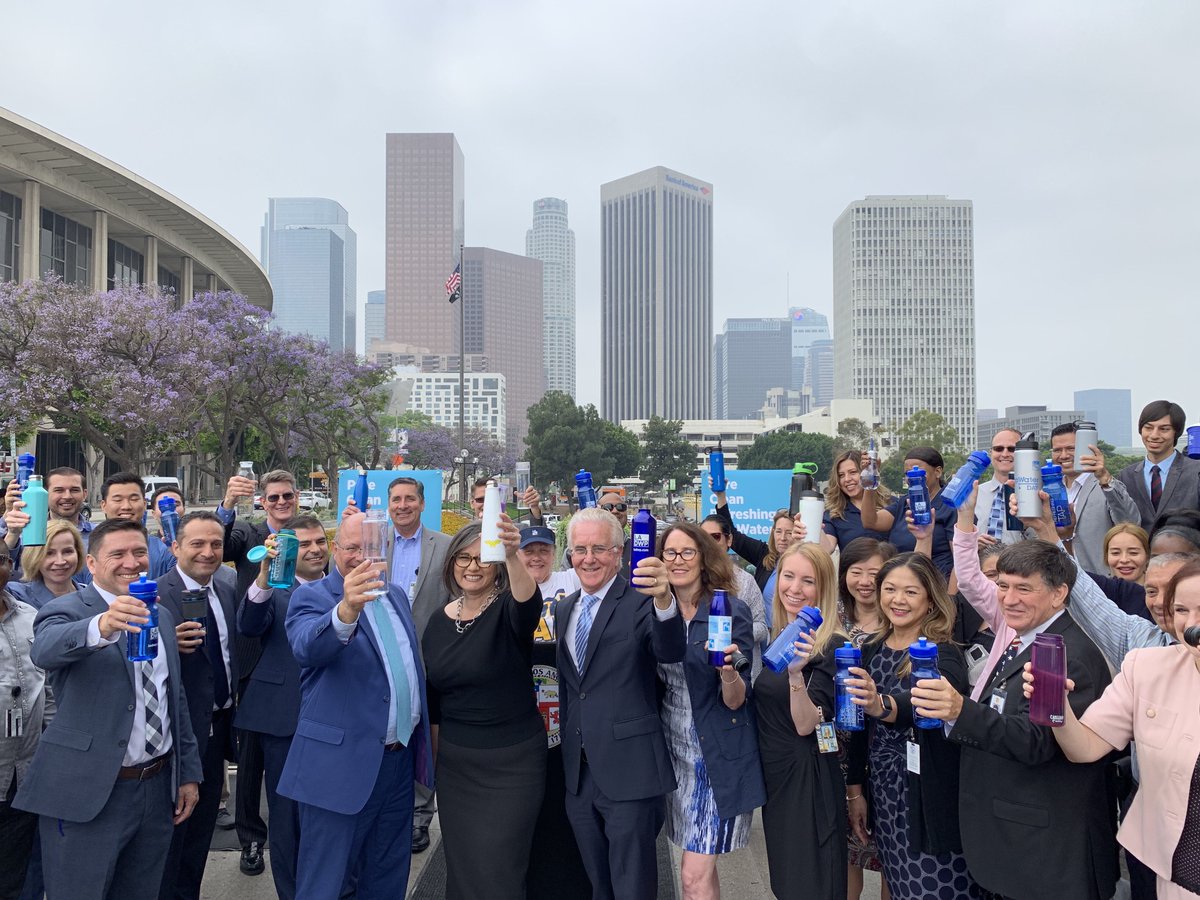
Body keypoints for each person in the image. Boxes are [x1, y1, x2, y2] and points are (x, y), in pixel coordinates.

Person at [923, 514, 1118, 900]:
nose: (1008, 599)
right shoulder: (1023, 635)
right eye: (1003, 586)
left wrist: (959, 710)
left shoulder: (1067, 654)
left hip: (1044, 855)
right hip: (1014, 842)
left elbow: (1037, 742)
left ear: (1059, 594)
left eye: (1023, 589)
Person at [14, 518, 202, 900]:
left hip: (155, 788)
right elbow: (45, 649)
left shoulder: (161, 615)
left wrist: (188, 773)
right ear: (93, 564)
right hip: (89, 793)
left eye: (138, 552)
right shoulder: (67, 609)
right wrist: (102, 625)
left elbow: (173, 698)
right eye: (117, 554)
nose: (131, 562)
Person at [1023, 558, 1200, 899]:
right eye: (1180, 610)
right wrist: (1057, 709)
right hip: (1175, 876)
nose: (1191, 625)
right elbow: (1085, 747)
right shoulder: (1147, 667)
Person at [280, 511, 434, 900]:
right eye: (352, 547)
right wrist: (346, 609)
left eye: (372, 546)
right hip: (340, 769)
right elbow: (307, 649)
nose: (361, 555)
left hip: (397, 764)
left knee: (387, 877)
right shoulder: (312, 596)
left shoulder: (395, 595)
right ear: (336, 550)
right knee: (325, 884)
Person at [556, 507, 686, 900]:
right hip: (579, 775)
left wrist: (665, 599)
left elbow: (669, 649)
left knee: (633, 887)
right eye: (580, 549)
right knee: (598, 885)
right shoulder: (565, 608)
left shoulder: (641, 601)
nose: (588, 558)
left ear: (619, 552)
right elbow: (572, 689)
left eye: (599, 548)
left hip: (630, 773)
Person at [420, 518, 545, 899]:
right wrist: (438, 766)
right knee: (463, 868)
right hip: (458, 767)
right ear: (451, 562)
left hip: (512, 765)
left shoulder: (509, 610)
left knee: (499, 869)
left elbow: (530, 604)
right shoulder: (437, 621)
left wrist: (510, 553)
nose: (472, 566)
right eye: (463, 557)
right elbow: (435, 702)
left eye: (482, 559)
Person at [845, 553, 977, 899]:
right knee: (899, 886)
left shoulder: (942, 652)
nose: (897, 600)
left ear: (931, 599)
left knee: (937, 886)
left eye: (910, 592)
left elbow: (922, 698)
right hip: (884, 791)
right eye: (889, 589)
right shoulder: (871, 649)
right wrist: (855, 790)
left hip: (929, 793)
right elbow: (859, 727)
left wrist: (882, 704)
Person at [651, 521, 765, 899]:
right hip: (672, 752)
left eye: (688, 552)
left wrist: (728, 672)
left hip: (715, 756)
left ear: (704, 558)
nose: (678, 560)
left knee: (692, 875)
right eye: (670, 552)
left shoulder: (729, 610)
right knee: (699, 870)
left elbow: (737, 699)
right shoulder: (652, 609)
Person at [236, 515, 331, 900]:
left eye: (320, 542)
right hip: (282, 719)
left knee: (328, 817)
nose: (314, 550)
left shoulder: (344, 586)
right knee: (287, 818)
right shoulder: (273, 587)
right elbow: (249, 624)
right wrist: (262, 578)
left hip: (336, 720)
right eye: (304, 544)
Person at [755, 542, 850, 900]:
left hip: (806, 780)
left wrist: (796, 677)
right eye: (788, 576)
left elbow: (808, 724)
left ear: (823, 588)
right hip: (777, 779)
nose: (794, 588)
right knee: (788, 881)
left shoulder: (831, 646)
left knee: (809, 883)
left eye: (807, 581)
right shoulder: (785, 632)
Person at [154, 511, 240, 900]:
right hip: (176, 738)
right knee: (170, 838)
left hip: (219, 728)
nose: (208, 552)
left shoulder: (226, 587)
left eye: (216, 544)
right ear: (175, 547)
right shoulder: (154, 595)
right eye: (197, 544)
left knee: (200, 834)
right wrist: (165, 643)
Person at [217, 468, 300, 864]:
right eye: (274, 498)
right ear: (262, 501)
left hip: (297, 658)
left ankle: (295, 831)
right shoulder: (248, 536)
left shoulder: (310, 535)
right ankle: (250, 838)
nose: (281, 503)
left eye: (287, 496)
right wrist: (228, 504)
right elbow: (216, 545)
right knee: (250, 760)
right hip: (254, 659)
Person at [515, 525, 590, 900]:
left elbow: (596, 559)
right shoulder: (512, 584)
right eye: (529, 551)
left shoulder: (568, 578)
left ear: (555, 552)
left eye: (543, 550)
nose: (535, 558)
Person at [382, 475, 452, 853]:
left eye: (410, 498)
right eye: (396, 499)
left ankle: (420, 816)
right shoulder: (375, 543)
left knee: (426, 739)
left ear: (422, 504)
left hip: (429, 661)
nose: (403, 505)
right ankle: (389, 809)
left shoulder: (443, 546)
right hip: (383, 659)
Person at [835, 537, 895, 897]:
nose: (863, 581)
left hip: (884, 752)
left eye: (874, 573)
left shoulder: (899, 627)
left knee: (893, 856)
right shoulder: (833, 621)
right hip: (839, 752)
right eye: (855, 572)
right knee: (848, 854)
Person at [0, 542, 48, 900]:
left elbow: (50, 692)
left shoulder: (30, 616)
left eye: (1, 559)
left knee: (16, 876)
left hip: (25, 772)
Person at [1047, 423, 1140, 572]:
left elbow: (1131, 523)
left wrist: (1104, 479)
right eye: (1057, 450)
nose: (1063, 455)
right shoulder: (1048, 490)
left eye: (1071, 449)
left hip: (1101, 581)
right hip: (1059, 580)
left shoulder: (1106, 486)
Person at [861, 447, 956, 575]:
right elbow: (871, 522)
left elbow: (960, 561)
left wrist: (950, 594)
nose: (912, 477)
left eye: (919, 472)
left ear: (938, 472)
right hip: (902, 580)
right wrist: (870, 477)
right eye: (907, 474)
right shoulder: (905, 503)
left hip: (937, 583)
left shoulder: (950, 506)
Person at [699, 514, 769, 676]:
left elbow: (762, 628)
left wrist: (729, 633)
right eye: (703, 538)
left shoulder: (746, 581)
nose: (709, 543)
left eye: (715, 537)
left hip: (740, 670)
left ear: (728, 540)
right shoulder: (692, 577)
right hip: (702, 671)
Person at [1117, 400, 1200, 529]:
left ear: (1176, 432)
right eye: (1148, 428)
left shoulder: (1196, 472)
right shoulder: (1126, 476)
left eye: (1164, 429)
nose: (1154, 435)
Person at [712, 479, 791, 591]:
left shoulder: (805, 561)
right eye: (779, 531)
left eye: (789, 533)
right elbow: (734, 536)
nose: (783, 538)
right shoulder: (764, 555)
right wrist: (721, 496)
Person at [99, 473, 176, 578]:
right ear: (103, 506)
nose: (126, 506)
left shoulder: (164, 550)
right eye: (118, 500)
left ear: (144, 504)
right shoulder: (87, 548)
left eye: (134, 499)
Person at [4, 518, 85, 609]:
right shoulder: (17, 595)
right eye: (49, 553)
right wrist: (12, 535)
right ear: (34, 556)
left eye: (67, 552)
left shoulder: (92, 595)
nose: (60, 561)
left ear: (78, 553)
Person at [822, 449, 892, 553]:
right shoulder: (834, 514)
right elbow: (826, 549)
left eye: (853, 472)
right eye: (841, 475)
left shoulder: (892, 505)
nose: (847, 479)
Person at [973, 428, 1027, 544]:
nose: (1005, 454)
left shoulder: (1036, 494)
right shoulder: (975, 494)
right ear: (991, 452)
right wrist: (973, 545)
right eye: (998, 449)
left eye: (1012, 449)